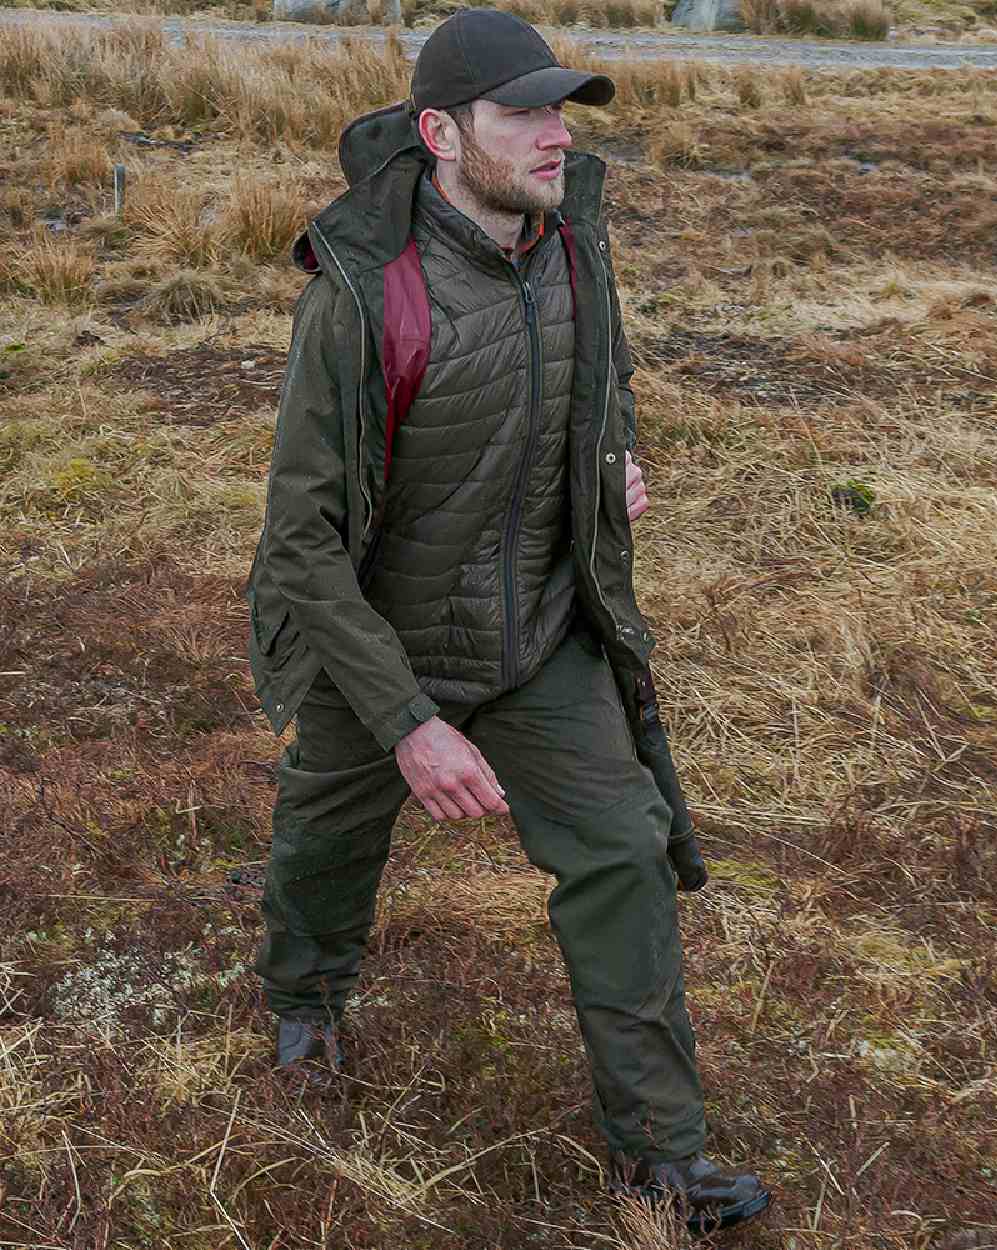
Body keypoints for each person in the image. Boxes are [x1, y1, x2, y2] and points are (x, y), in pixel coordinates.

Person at [244, 7, 769, 1232]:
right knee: (326, 844)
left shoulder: (573, 238)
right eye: (521, 114)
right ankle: (305, 1007)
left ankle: (660, 1161)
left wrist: (609, 464)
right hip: (374, 644)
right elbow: (299, 545)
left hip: (538, 630)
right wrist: (406, 721)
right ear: (439, 133)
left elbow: (607, 383)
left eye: (560, 111)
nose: (552, 136)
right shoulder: (362, 296)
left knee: (623, 850)